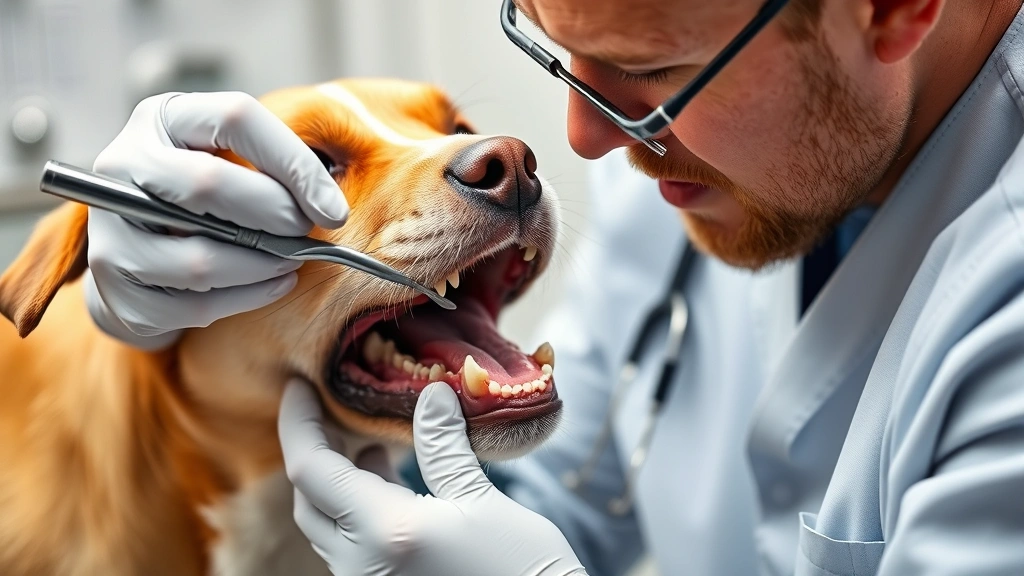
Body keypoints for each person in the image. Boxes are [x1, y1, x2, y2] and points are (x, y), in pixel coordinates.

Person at [83, 0, 1024, 574]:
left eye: (653, 69)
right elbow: (573, 501)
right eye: (551, 40)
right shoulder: (676, 152)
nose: (582, 139)